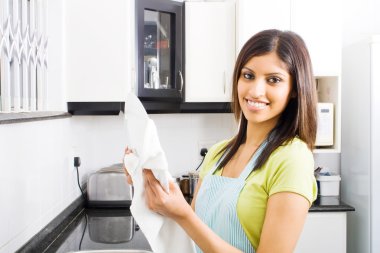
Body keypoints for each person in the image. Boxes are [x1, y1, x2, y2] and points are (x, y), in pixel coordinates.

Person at [124, 29, 318, 253]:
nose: (255, 91)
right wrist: (146, 181)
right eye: (248, 75)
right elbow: (193, 235)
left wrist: (184, 214)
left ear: (294, 90)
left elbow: (189, 220)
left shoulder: (293, 159)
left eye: (273, 80)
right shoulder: (219, 153)